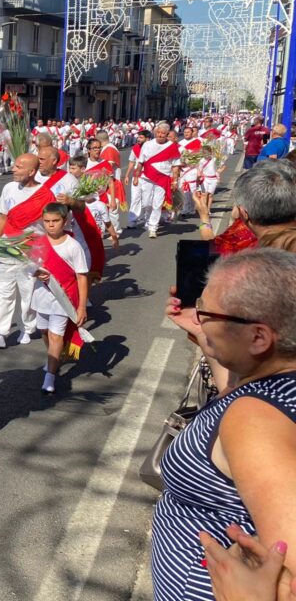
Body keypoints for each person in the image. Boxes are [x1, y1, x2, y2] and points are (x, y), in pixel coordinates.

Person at [156, 249, 296, 601]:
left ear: (258, 338)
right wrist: (209, 339)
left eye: (207, 312)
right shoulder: (268, 385)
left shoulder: (255, 421)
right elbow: (233, 392)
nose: (199, 317)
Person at [0, 154, 43, 350]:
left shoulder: (45, 193)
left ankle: (28, 327)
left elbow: (52, 225)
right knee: (4, 290)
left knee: (28, 291)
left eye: (18, 167)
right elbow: (2, 218)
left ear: (31, 172)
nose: (13, 169)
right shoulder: (8, 188)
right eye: (14, 166)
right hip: (7, 245)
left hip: (31, 249)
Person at [32, 203, 89, 393]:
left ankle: (50, 375)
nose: (51, 225)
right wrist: (34, 272)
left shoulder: (73, 246)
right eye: (47, 221)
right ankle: (54, 358)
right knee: (44, 332)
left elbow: (82, 277)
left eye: (55, 221)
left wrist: (81, 307)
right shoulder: (38, 242)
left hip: (63, 299)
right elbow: (29, 266)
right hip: (41, 297)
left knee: (56, 336)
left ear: (65, 221)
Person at [134, 122, 181, 239]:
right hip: (147, 177)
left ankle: (153, 227)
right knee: (146, 203)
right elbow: (140, 162)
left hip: (163, 178)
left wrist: (175, 180)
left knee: (157, 204)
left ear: (167, 134)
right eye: (158, 133)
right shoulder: (147, 144)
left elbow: (175, 165)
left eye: (163, 133)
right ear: (155, 132)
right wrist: (136, 176)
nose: (160, 135)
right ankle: (148, 219)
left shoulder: (172, 146)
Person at [124, 129, 152, 230]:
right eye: (138, 137)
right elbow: (132, 162)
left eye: (141, 137)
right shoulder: (135, 148)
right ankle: (132, 220)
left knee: (147, 201)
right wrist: (127, 175)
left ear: (147, 139)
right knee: (135, 198)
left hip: (149, 177)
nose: (138, 139)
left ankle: (148, 220)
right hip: (137, 176)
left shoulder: (153, 148)